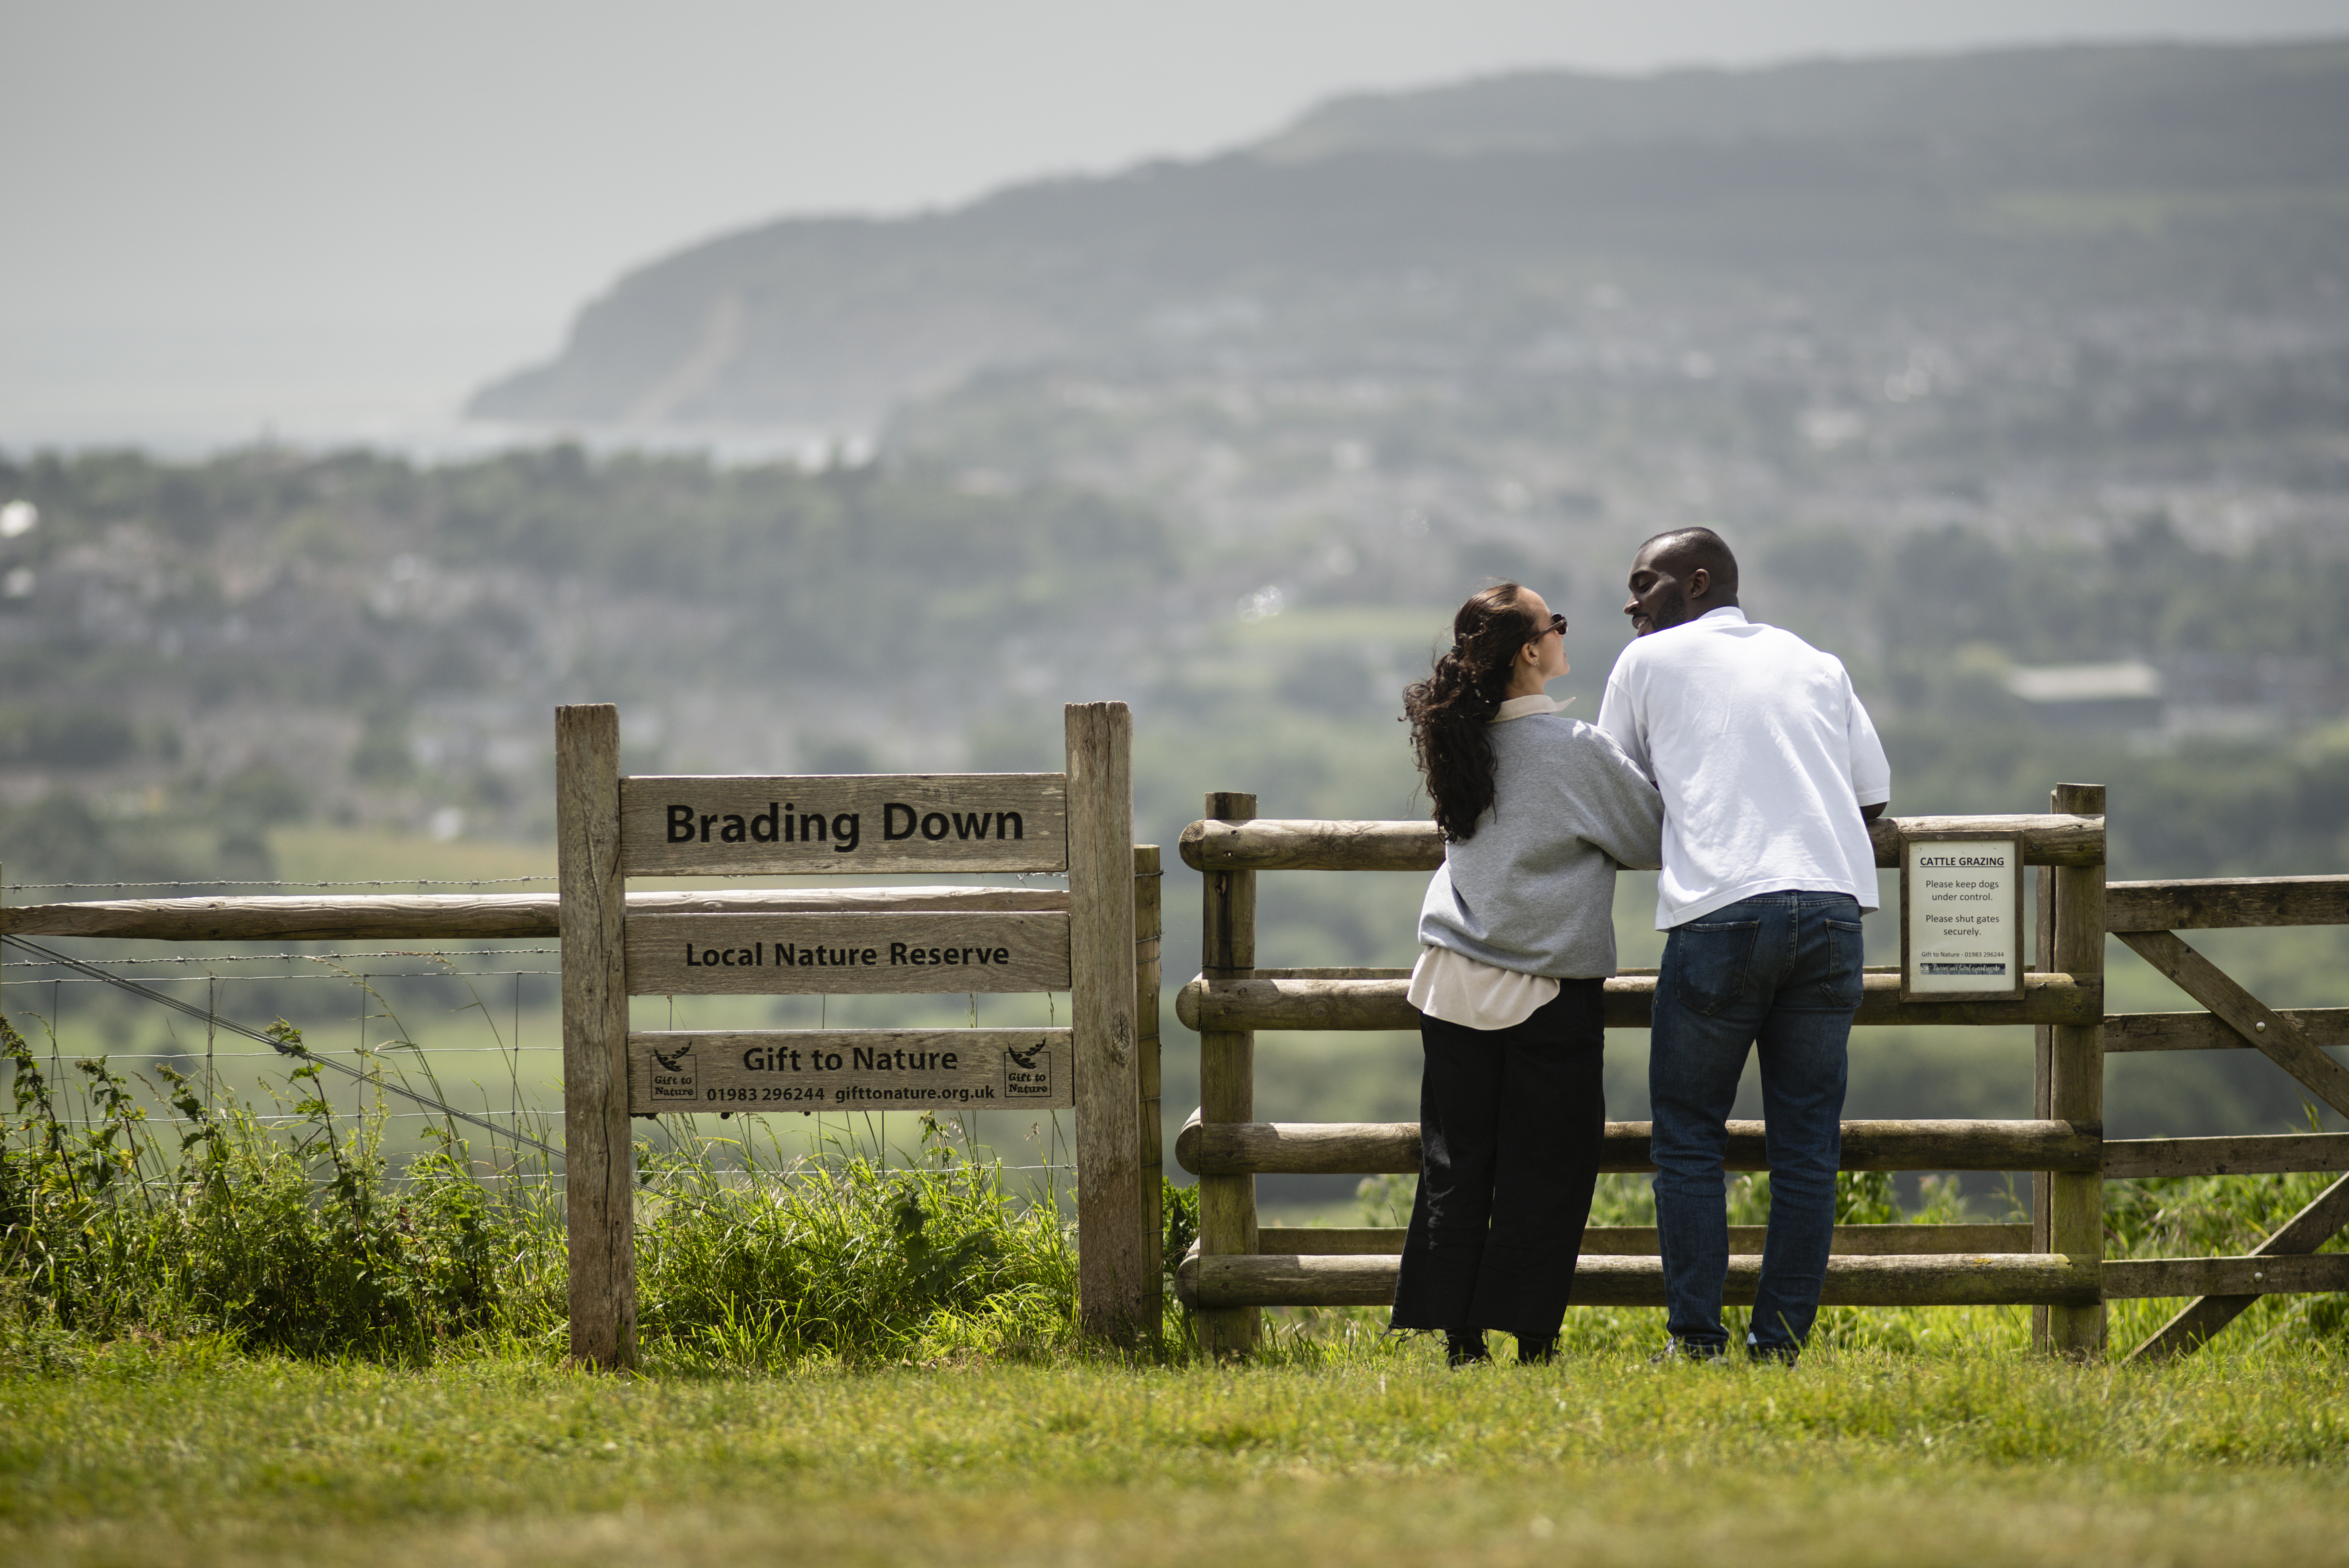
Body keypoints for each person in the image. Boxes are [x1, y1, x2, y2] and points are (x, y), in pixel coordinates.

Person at [1595, 527, 1890, 1365]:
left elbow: (1611, 791)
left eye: (1641, 584)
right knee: (1807, 1144)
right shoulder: (1813, 660)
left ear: (1693, 583)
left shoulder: (1645, 664)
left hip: (1718, 910)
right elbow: (1871, 796)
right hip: (1832, 908)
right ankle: (1779, 1345)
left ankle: (1695, 1340)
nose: (1629, 603)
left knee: (1688, 1135)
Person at [1391, 582, 1665, 1367]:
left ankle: (1458, 1336)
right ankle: (1532, 1336)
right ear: (1528, 651)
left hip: (1449, 978)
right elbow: (1648, 835)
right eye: (1556, 624)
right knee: (1548, 1164)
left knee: (1456, 1162)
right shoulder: (1573, 748)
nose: (1562, 633)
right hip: (1546, 982)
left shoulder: (1455, 741)